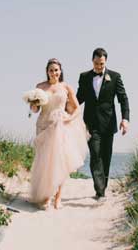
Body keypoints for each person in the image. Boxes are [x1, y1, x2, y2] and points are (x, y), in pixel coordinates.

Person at [28, 58, 89, 209]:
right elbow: (35, 110)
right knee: (44, 162)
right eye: (51, 70)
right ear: (47, 72)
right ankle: (46, 196)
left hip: (60, 126)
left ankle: (58, 198)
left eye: (56, 70)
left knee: (60, 162)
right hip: (43, 125)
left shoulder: (66, 87)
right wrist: (33, 104)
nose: (54, 73)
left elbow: (77, 108)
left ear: (60, 71)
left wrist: (69, 119)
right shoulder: (40, 87)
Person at [76, 47, 130, 200]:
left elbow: (123, 99)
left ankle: (102, 189)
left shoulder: (115, 76)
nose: (99, 66)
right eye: (96, 63)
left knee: (106, 157)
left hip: (108, 124)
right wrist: (65, 110)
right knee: (95, 155)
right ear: (92, 61)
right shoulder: (84, 77)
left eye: (101, 64)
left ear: (105, 62)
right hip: (90, 124)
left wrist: (125, 119)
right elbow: (78, 98)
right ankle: (99, 191)